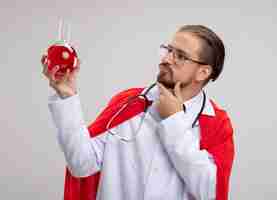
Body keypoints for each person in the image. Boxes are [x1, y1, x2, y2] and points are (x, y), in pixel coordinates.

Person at [42, 25, 235, 200]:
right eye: (169, 50)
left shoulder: (216, 125)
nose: (167, 59)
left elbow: (210, 192)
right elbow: (81, 164)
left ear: (203, 73)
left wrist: (174, 121)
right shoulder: (128, 103)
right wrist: (67, 96)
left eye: (180, 56)